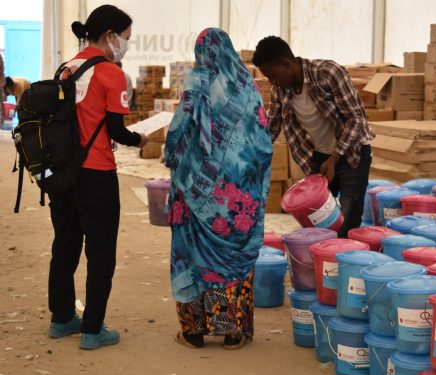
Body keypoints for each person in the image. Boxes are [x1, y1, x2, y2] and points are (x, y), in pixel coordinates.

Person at [47, 4, 148, 350]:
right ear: (110, 36)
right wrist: (141, 139)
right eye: (125, 38)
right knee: (101, 252)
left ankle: (61, 320)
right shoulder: (111, 72)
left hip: (62, 175)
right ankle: (93, 329)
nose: (126, 44)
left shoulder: (66, 68)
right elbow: (117, 131)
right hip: (96, 173)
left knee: (65, 246)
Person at [164, 28, 272, 349]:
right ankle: (231, 329)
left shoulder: (197, 82)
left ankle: (194, 331)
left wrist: (175, 158)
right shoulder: (247, 86)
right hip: (237, 197)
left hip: (193, 191)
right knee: (231, 257)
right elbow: (262, 141)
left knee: (192, 255)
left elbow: (179, 132)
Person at [253, 36, 374, 238]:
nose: (272, 82)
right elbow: (272, 126)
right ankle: (320, 259)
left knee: (347, 219)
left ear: (287, 64)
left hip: (352, 152)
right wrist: (253, 159)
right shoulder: (280, 90)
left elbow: (357, 119)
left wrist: (334, 159)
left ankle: (339, 262)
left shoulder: (328, 73)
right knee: (315, 216)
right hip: (318, 155)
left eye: (273, 76)